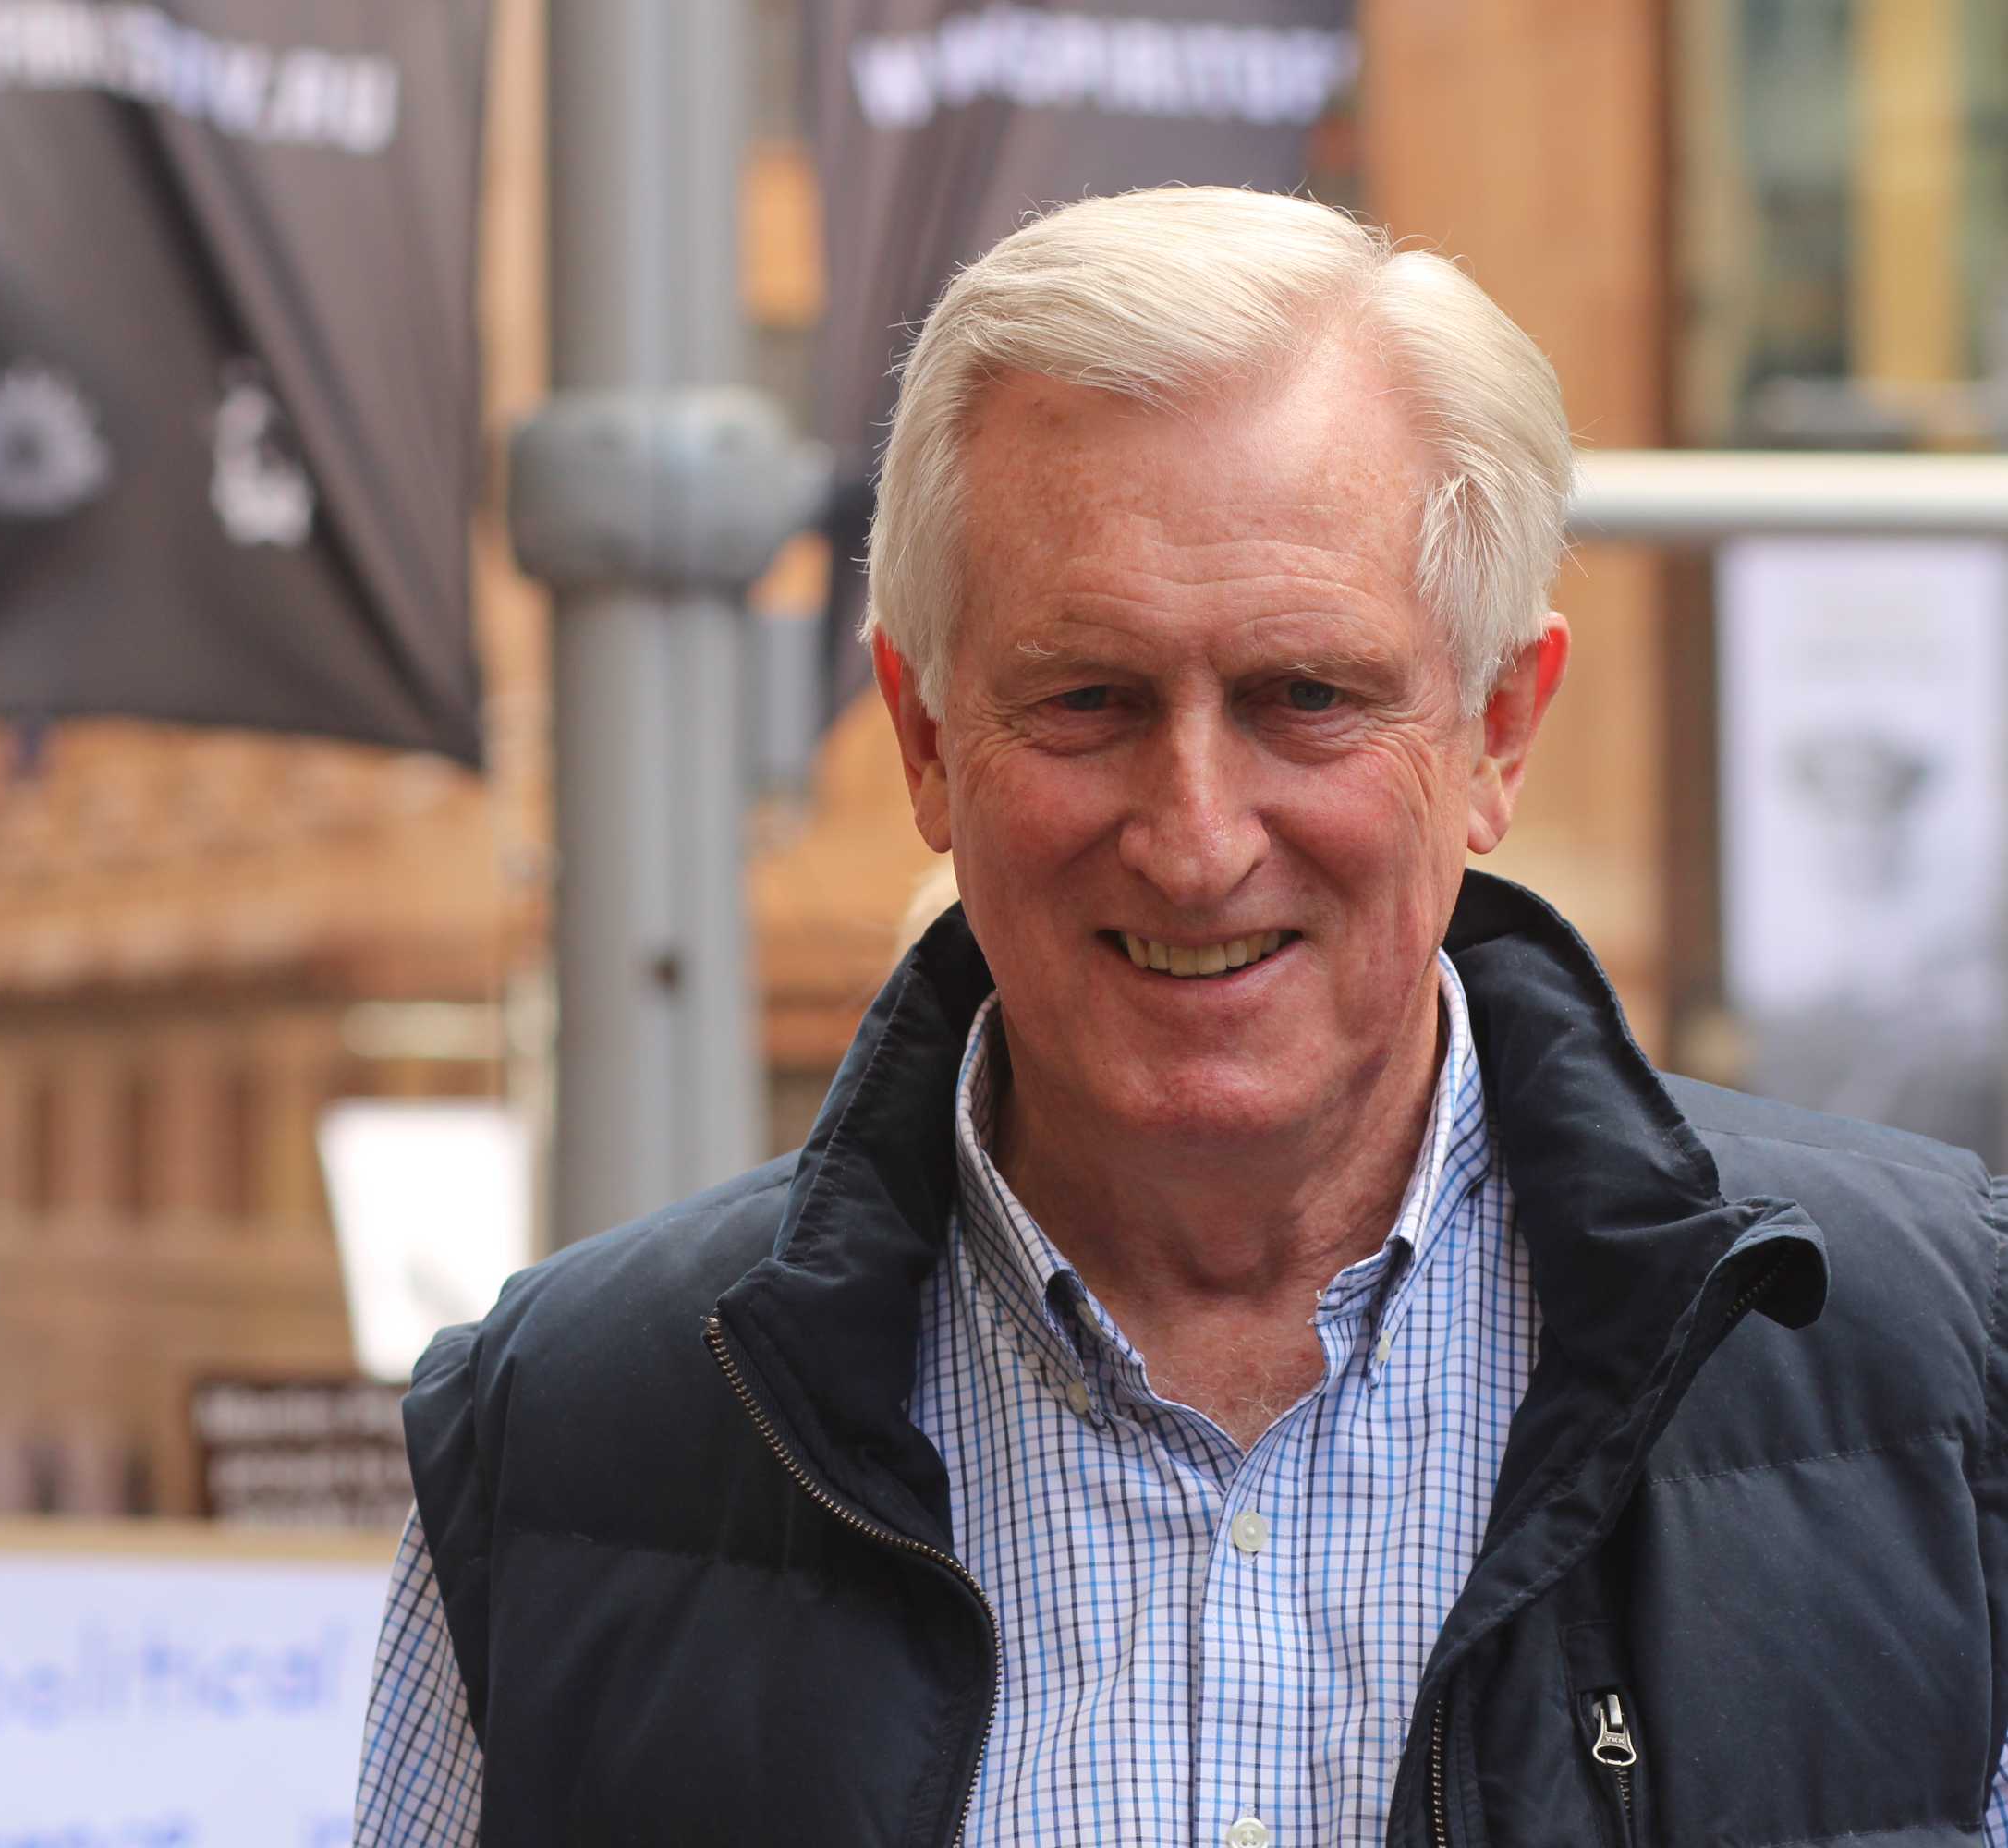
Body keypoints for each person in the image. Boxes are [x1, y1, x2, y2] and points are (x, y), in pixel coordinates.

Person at [352, 187, 2008, 1846]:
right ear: (924, 741)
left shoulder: (1939, 1380)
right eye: (1089, 699)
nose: (1198, 842)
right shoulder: (563, 1451)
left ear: (1497, 731)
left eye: (1308, 697)